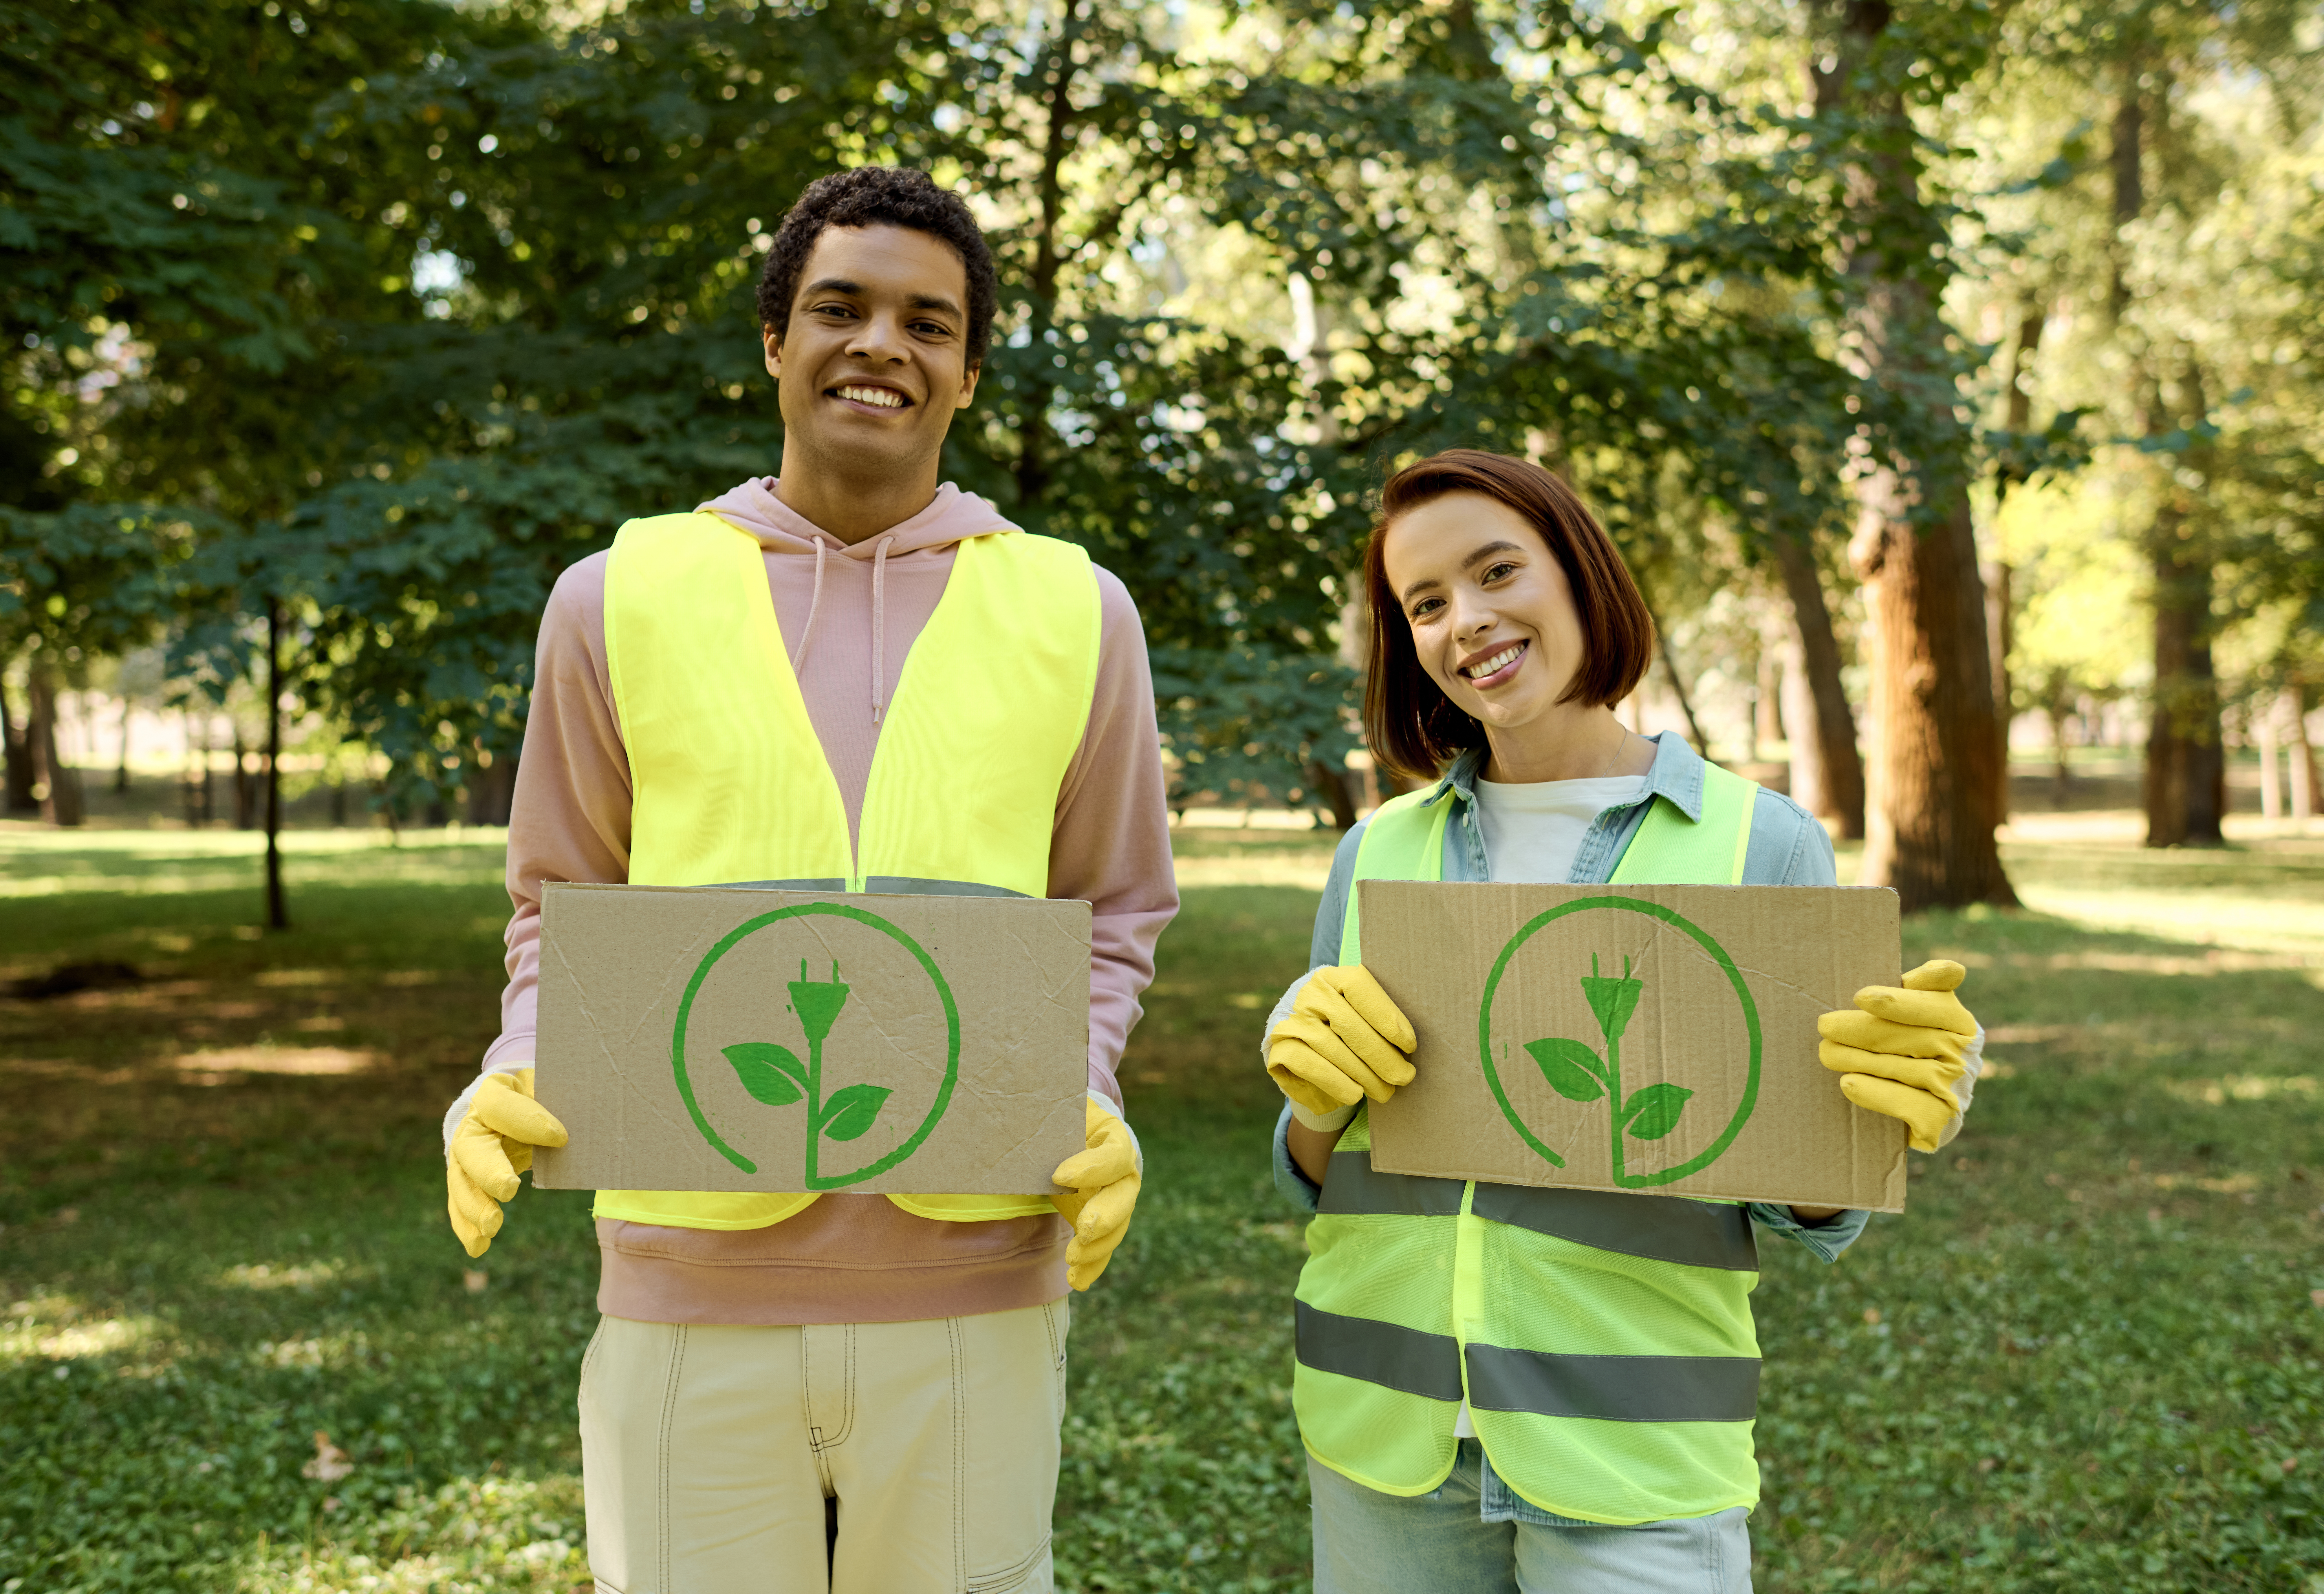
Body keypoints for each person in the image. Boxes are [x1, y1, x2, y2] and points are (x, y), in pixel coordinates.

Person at [437, 167, 1177, 1594]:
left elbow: (1116, 908)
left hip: (977, 1283)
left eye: (927, 321)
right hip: (686, 1277)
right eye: (839, 307)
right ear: (775, 340)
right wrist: (517, 1063)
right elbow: (562, 906)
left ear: (966, 370)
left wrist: (1079, 1082)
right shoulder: (615, 595)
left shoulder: (1078, 609)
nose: (880, 344)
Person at [1258, 450, 1984, 1593]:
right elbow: (1314, 1168)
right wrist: (1309, 1106)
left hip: (1635, 1443)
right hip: (1380, 1434)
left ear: (1581, 573)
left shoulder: (1763, 843)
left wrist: (1872, 1112)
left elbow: (1812, 1206)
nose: (1469, 622)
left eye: (1499, 571)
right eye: (1428, 603)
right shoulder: (1378, 852)